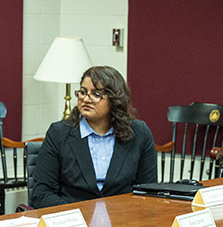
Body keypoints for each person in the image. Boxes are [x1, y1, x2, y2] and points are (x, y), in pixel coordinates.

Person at [28, 65, 157, 207]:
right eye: (83, 92)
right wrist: (75, 216)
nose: (86, 99)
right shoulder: (58, 133)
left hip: (123, 219)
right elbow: (41, 194)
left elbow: (148, 192)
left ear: (115, 99)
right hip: (73, 220)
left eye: (96, 94)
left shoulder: (139, 133)